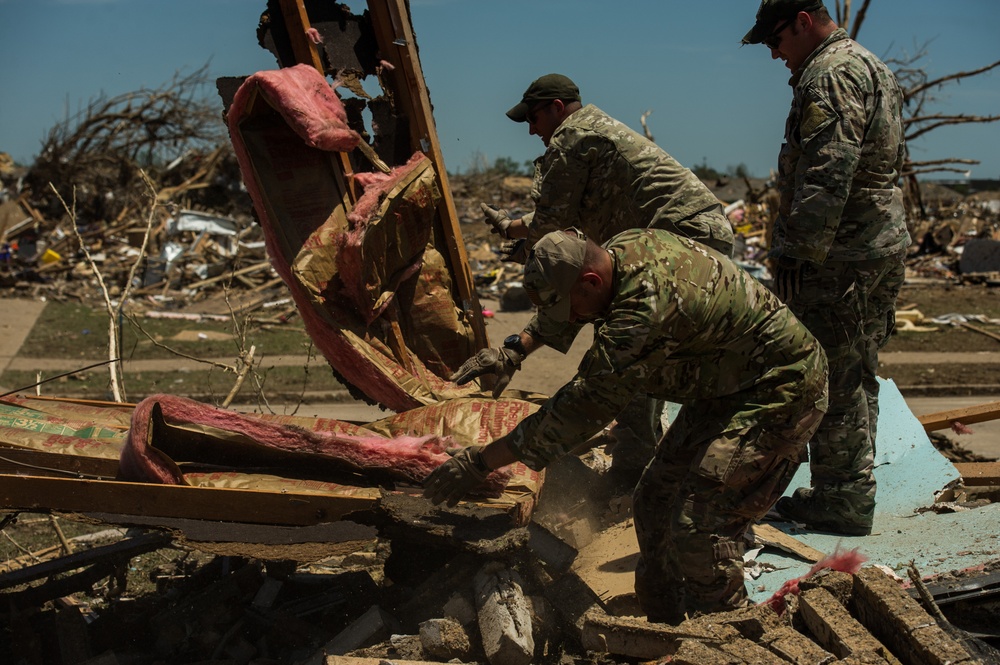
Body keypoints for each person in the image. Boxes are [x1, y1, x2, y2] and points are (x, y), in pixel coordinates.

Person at [426, 228, 828, 623]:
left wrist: (480, 462)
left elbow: (581, 408)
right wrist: (514, 351)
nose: (577, 319)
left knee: (699, 523)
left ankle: (730, 633)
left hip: (782, 388)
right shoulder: (618, 252)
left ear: (591, 280)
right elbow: (568, 310)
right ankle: (667, 620)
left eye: (574, 307)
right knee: (653, 498)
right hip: (729, 386)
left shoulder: (641, 310)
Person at [476, 73, 737, 478]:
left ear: (556, 108)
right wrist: (513, 228)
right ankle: (649, 461)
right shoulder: (592, 136)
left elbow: (555, 229)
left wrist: (527, 243)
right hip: (694, 237)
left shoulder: (570, 139)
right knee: (639, 350)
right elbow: (566, 219)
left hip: (681, 244)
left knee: (622, 351)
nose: (531, 129)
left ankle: (634, 472)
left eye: (533, 118)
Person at [742, 0, 911, 536]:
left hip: (841, 255)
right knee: (857, 369)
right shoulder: (870, 65)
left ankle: (843, 500)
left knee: (831, 374)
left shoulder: (830, 74)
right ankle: (849, 488)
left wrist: (798, 252)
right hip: (876, 244)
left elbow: (828, 170)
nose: (775, 54)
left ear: (802, 21)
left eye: (776, 39)